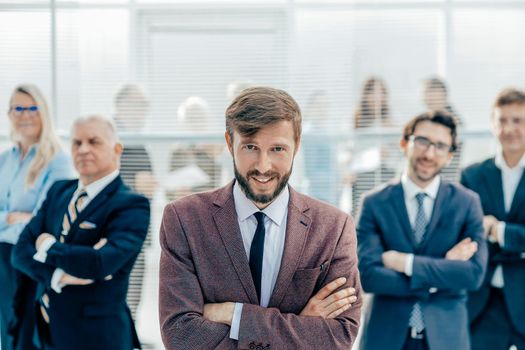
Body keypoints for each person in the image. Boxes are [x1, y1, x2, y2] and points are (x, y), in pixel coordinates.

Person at [159, 86, 362, 349]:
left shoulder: (334, 228)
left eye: (277, 149)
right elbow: (180, 335)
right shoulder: (184, 219)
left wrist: (235, 315)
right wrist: (300, 325)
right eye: (251, 147)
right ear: (230, 144)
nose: (263, 166)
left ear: (297, 146)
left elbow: (339, 336)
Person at [11, 115, 150, 350]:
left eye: (94, 142)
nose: (83, 149)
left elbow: (99, 263)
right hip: (41, 331)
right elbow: (20, 252)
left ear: (117, 149)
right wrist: (58, 276)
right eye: (77, 143)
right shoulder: (59, 191)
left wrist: (46, 246)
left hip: (95, 337)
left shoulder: (132, 204)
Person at [357, 110, 487, 350]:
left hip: (446, 338)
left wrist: (406, 264)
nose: (429, 153)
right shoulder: (374, 203)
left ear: (449, 156)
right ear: (404, 143)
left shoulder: (467, 202)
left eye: (440, 146)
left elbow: (473, 274)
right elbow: (368, 275)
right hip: (385, 337)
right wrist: (441, 271)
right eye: (423, 142)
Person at [0, 84, 74, 350]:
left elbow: (47, 218)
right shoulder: (4, 160)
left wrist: (11, 219)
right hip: (2, 257)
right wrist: (12, 217)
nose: (26, 114)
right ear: (9, 114)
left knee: (28, 336)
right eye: (18, 108)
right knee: (6, 332)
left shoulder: (58, 161)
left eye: (33, 108)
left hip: (30, 257)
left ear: (44, 113)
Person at [461, 88, 525, 349]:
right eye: (502, 120)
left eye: (517, 120)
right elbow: (465, 231)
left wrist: (498, 231)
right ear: (492, 124)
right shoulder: (472, 175)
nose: (509, 128)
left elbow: (486, 230)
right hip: (483, 301)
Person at [114, 83, 156, 322]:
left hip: (136, 231)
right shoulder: (110, 136)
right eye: (138, 105)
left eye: (145, 106)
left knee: (133, 292)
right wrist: (134, 182)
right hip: (116, 232)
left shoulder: (138, 140)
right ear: (121, 106)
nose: (143, 111)